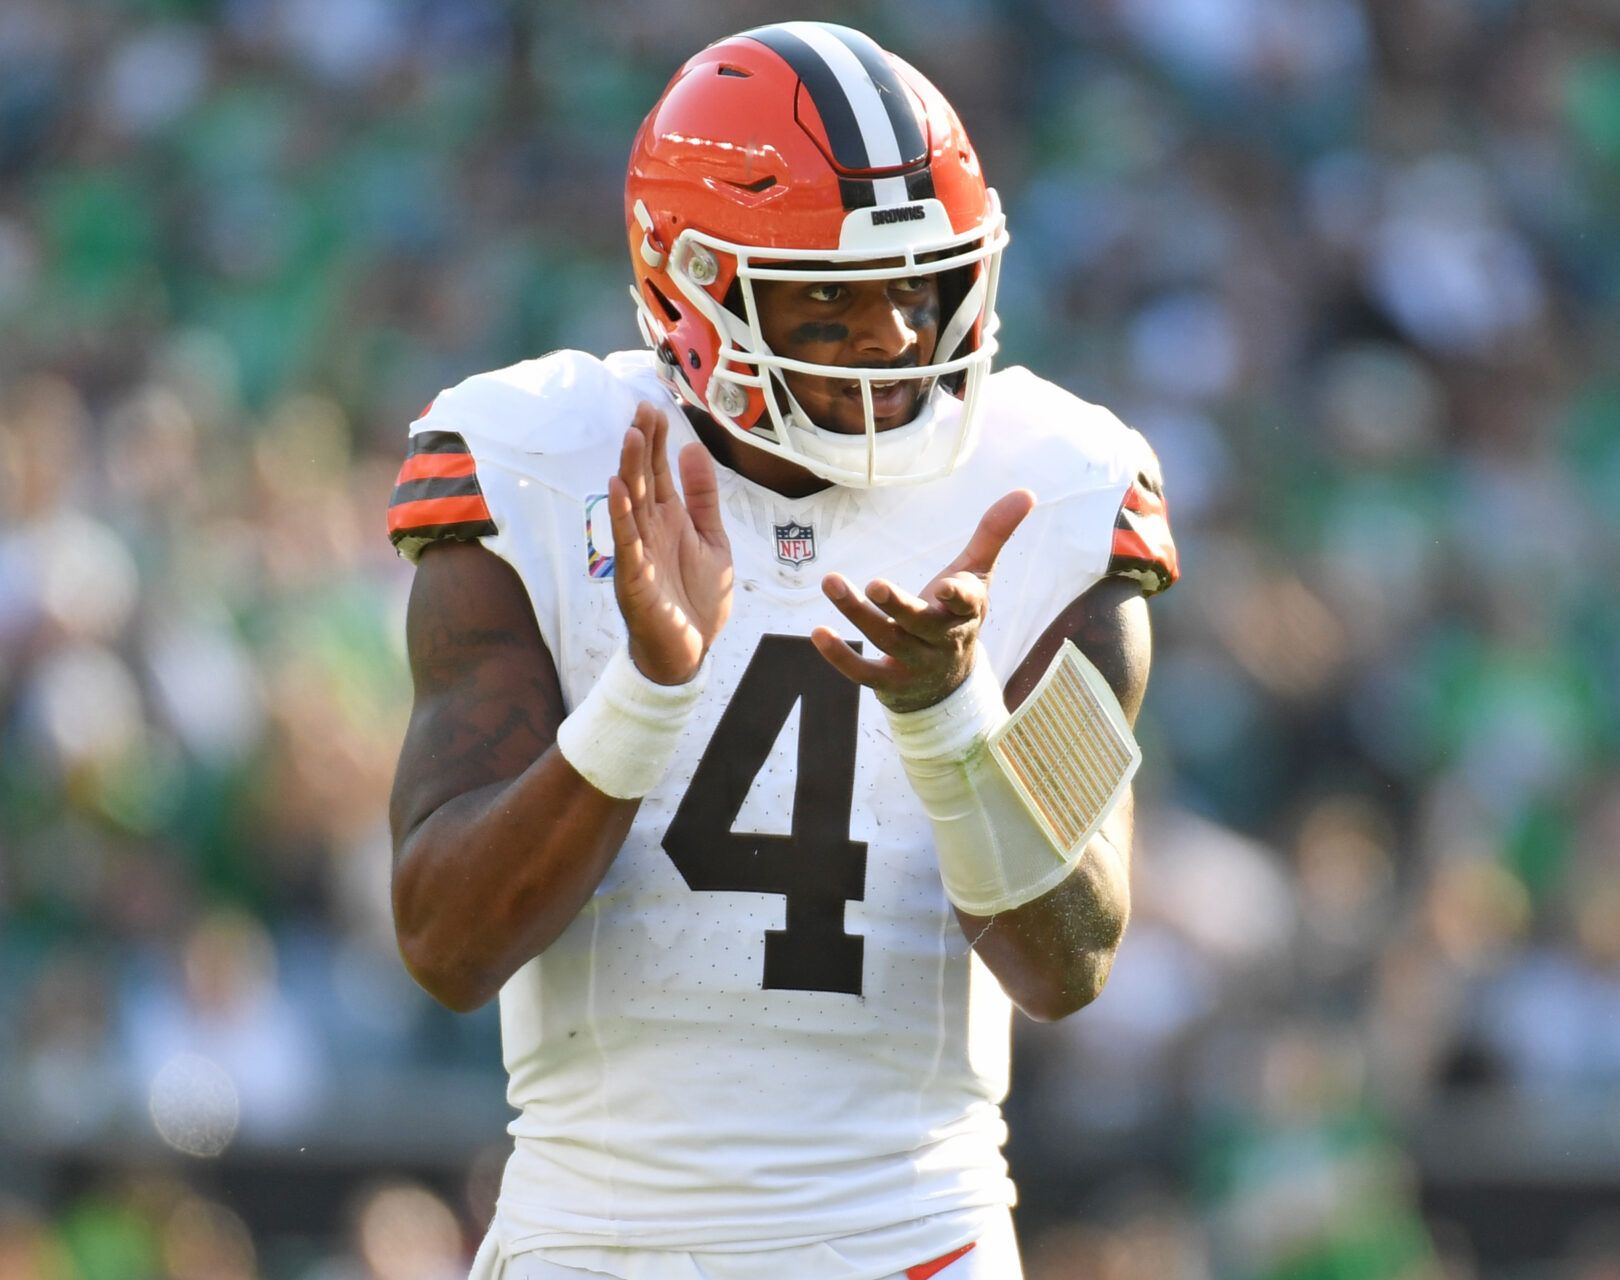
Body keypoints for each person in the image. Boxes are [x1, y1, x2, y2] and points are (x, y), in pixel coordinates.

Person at [384, 21, 1178, 1280]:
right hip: (596, 1239)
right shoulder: (539, 460)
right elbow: (445, 942)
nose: (894, 338)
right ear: (687, 287)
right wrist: (645, 695)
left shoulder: (1054, 488)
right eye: (829, 294)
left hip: (910, 1238)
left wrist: (949, 716)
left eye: (920, 284)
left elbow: (1069, 957)